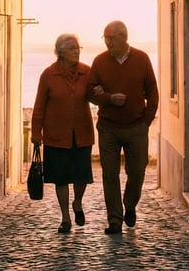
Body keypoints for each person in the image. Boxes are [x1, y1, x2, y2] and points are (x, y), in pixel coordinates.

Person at [87, 20, 159, 234]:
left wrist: (146, 120)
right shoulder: (99, 62)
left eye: (111, 38)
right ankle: (115, 220)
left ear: (123, 37)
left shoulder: (141, 59)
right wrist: (108, 98)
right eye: (105, 38)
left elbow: (152, 92)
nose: (107, 42)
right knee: (110, 174)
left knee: (137, 171)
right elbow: (90, 92)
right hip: (108, 127)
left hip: (136, 126)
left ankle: (129, 205)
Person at [30, 33, 95, 233]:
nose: (76, 51)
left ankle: (77, 202)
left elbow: (96, 96)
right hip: (56, 136)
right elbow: (39, 106)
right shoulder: (49, 75)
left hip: (81, 133)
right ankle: (65, 217)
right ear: (60, 52)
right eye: (72, 48)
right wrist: (36, 134)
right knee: (60, 178)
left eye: (78, 48)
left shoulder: (87, 72)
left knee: (81, 176)